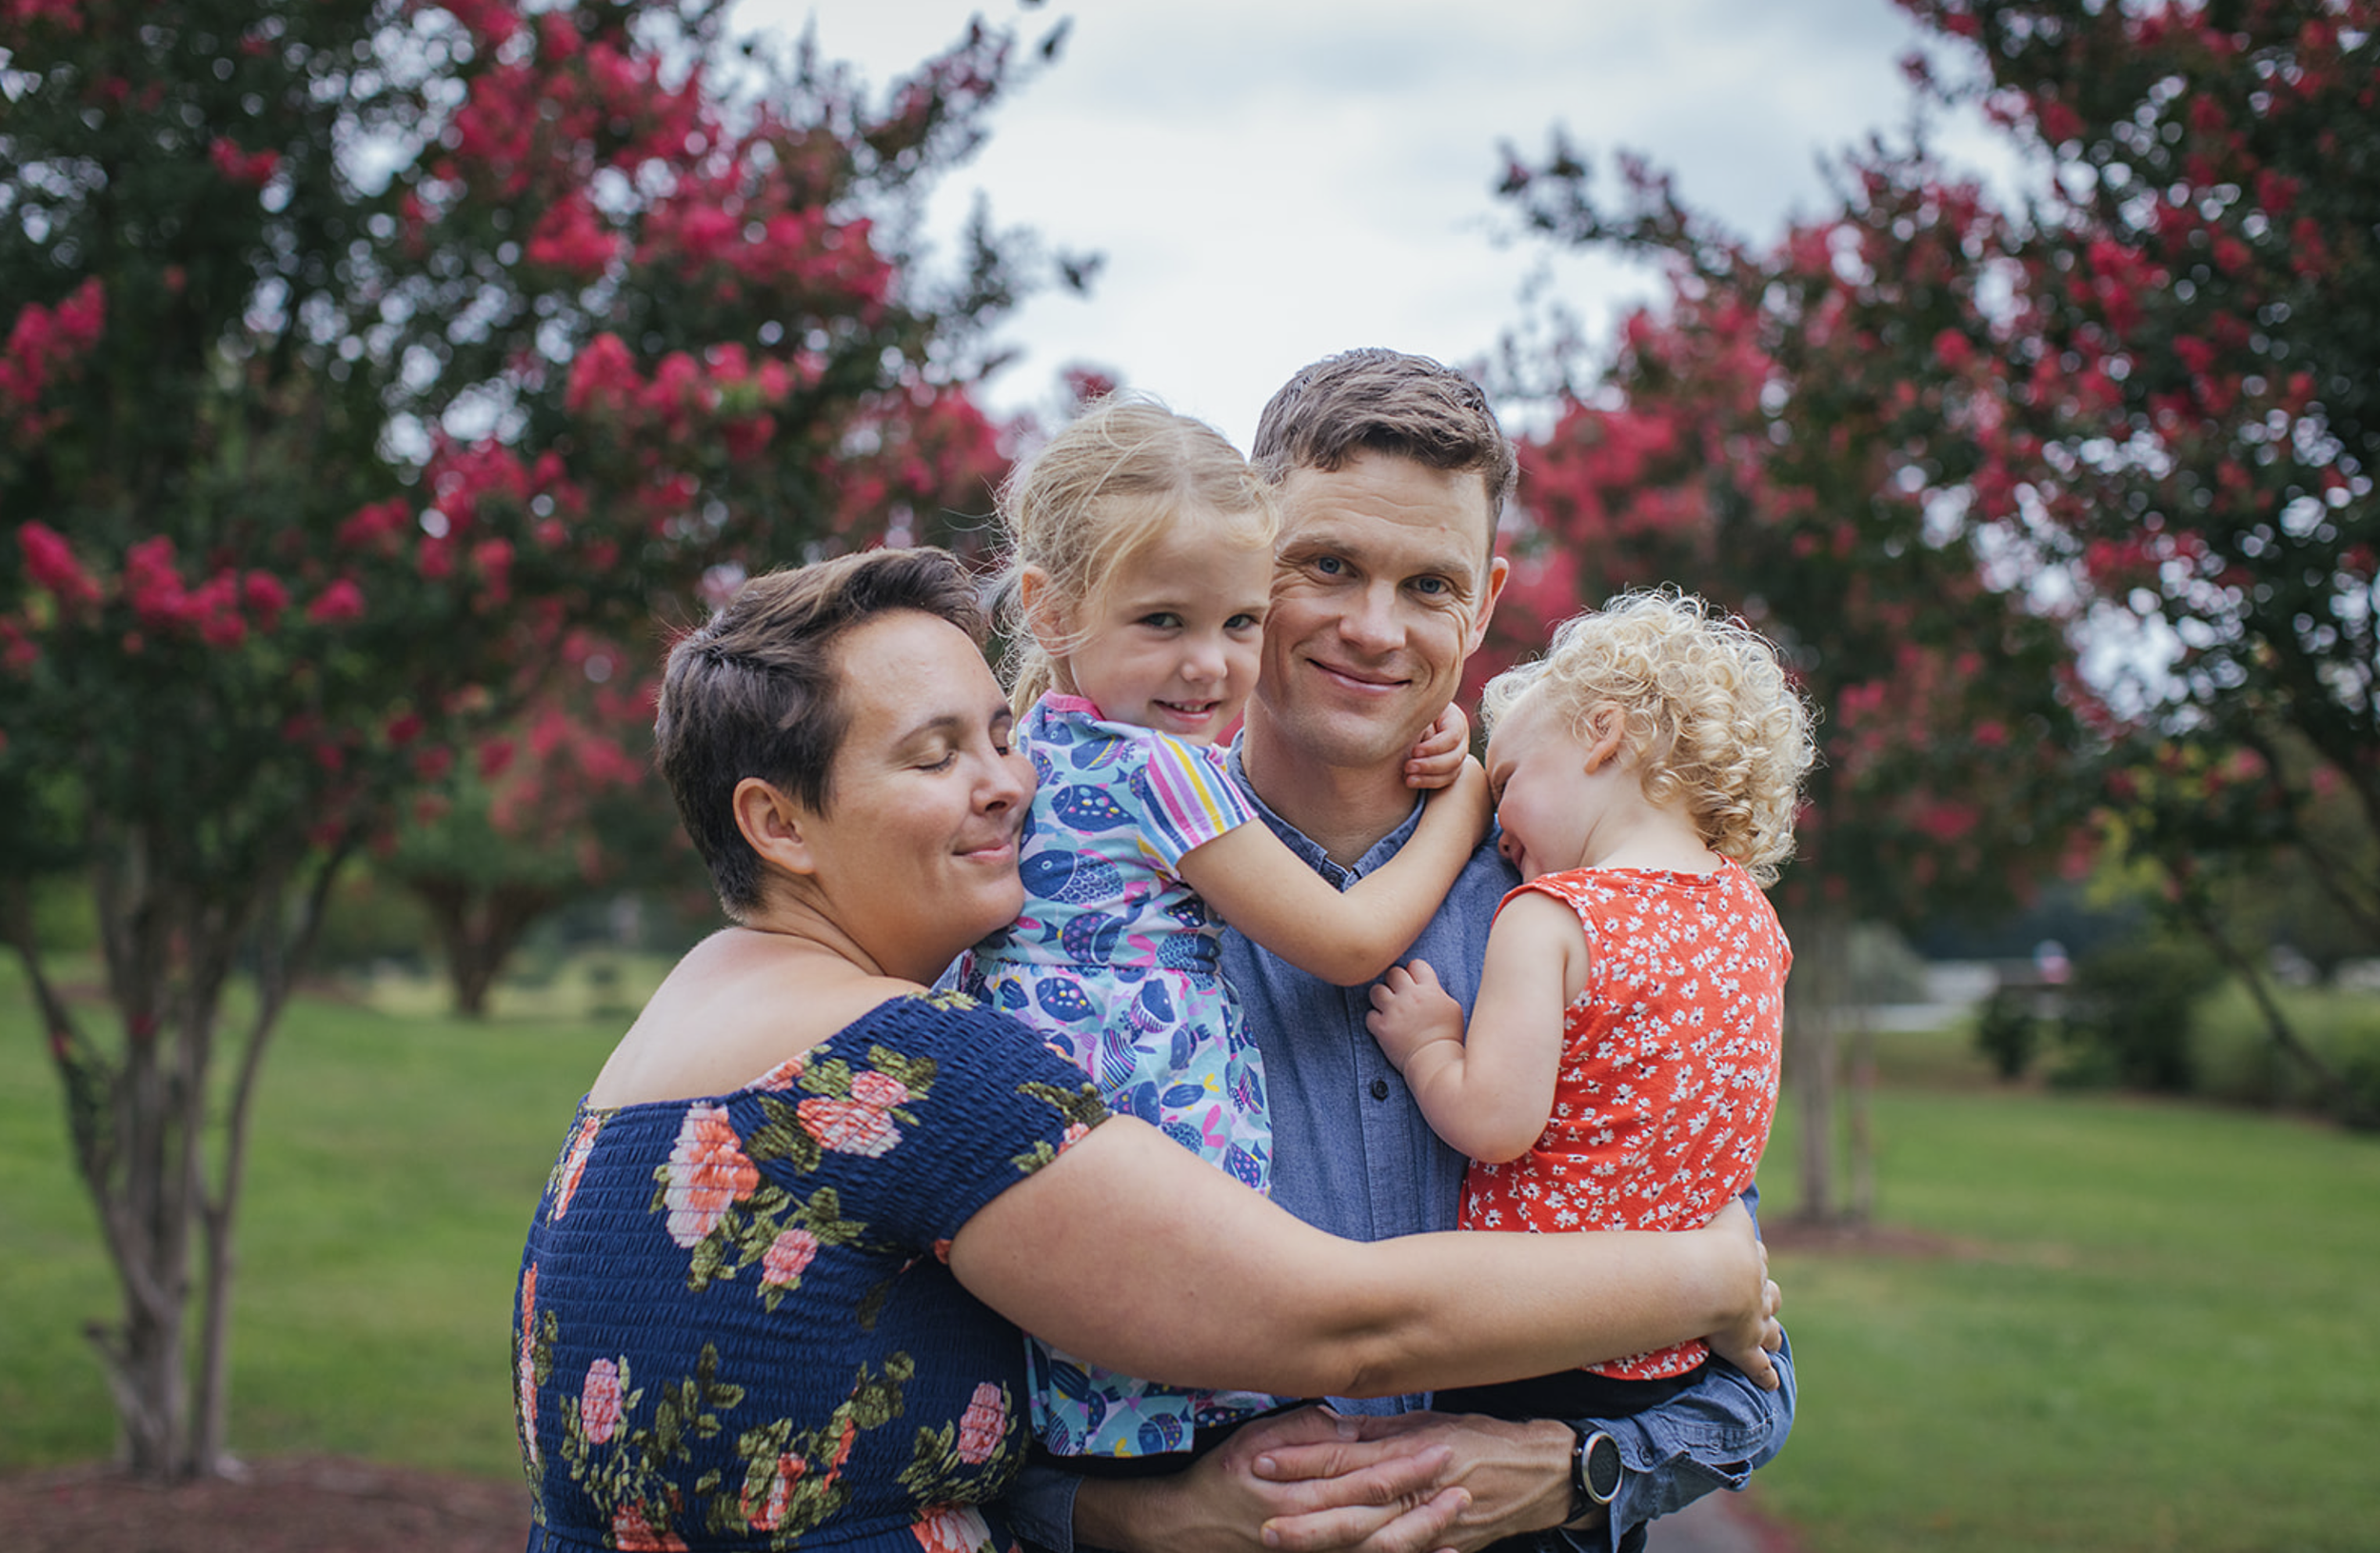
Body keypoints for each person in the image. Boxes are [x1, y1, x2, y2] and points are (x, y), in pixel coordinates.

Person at [509, 547, 1781, 1553]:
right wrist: (1708, 1275)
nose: (1013, 782)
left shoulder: (706, 1005)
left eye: (1001, 732)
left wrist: (1140, 1518)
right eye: (935, 752)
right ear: (778, 822)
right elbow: (1342, 1320)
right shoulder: (899, 1065)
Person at [1017, 350, 1797, 1553]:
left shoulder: (1597, 921)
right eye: (1324, 566)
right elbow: (927, 1378)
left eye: (1427, 584)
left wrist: (1582, 1463)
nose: (1373, 629)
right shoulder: (1070, 901)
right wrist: (1142, 1518)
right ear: (1249, 564)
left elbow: (1745, 1362)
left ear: (1482, 605)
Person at [958, 396, 1487, 1463]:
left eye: (1237, 623)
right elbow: (1346, 943)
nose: (1209, 665)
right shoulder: (1163, 775)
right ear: (1050, 610)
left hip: (1051, 1173)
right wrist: (1465, 793)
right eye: (1165, 622)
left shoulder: (1025, 759)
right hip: (1160, 1158)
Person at [1367, 588, 1815, 1433]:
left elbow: (1496, 1123)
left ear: (1602, 734)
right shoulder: (1753, 919)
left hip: (1531, 1338)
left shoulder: (1554, 915)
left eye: (1507, 780)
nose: (1497, 827)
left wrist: (1431, 1043)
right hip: (1665, 1351)